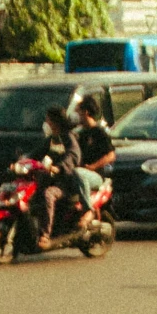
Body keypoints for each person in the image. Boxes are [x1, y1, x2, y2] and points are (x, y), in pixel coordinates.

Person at [35, 106, 82, 245]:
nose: (46, 122)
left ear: (55, 122)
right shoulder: (52, 138)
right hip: (50, 180)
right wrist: (21, 162)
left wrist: (59, 168)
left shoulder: (68, 138)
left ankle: (45, 234)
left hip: (66, 183)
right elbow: (36, 153)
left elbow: (73, 156)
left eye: (48, 119)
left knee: (48, 195)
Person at [70, 95, 114, 226]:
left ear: (86, 112)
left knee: (78, 173)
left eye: (78, 111)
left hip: (95, 176)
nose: (77, 115)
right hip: (81, 172)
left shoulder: (99, 132)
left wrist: (93, 167)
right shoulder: (80, 134)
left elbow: (110, 155)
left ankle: (88, 209)